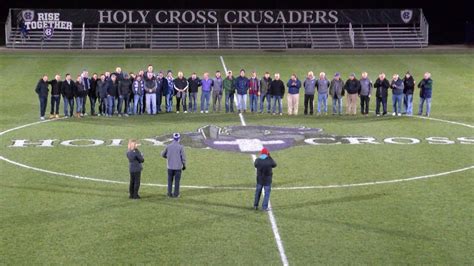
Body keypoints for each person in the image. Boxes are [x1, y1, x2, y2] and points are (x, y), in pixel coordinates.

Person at [161, 133, 187, 198]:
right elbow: (183, 157)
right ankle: (176, 194)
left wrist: (167, 157)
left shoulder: (168, 146)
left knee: (170, 181)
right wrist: (184, 165)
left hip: (170, 167)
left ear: (173, 138)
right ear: (179, 139)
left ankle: (169, 194)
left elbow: (162, 154)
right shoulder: (181, 147)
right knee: (177, 181)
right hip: (178, 167)